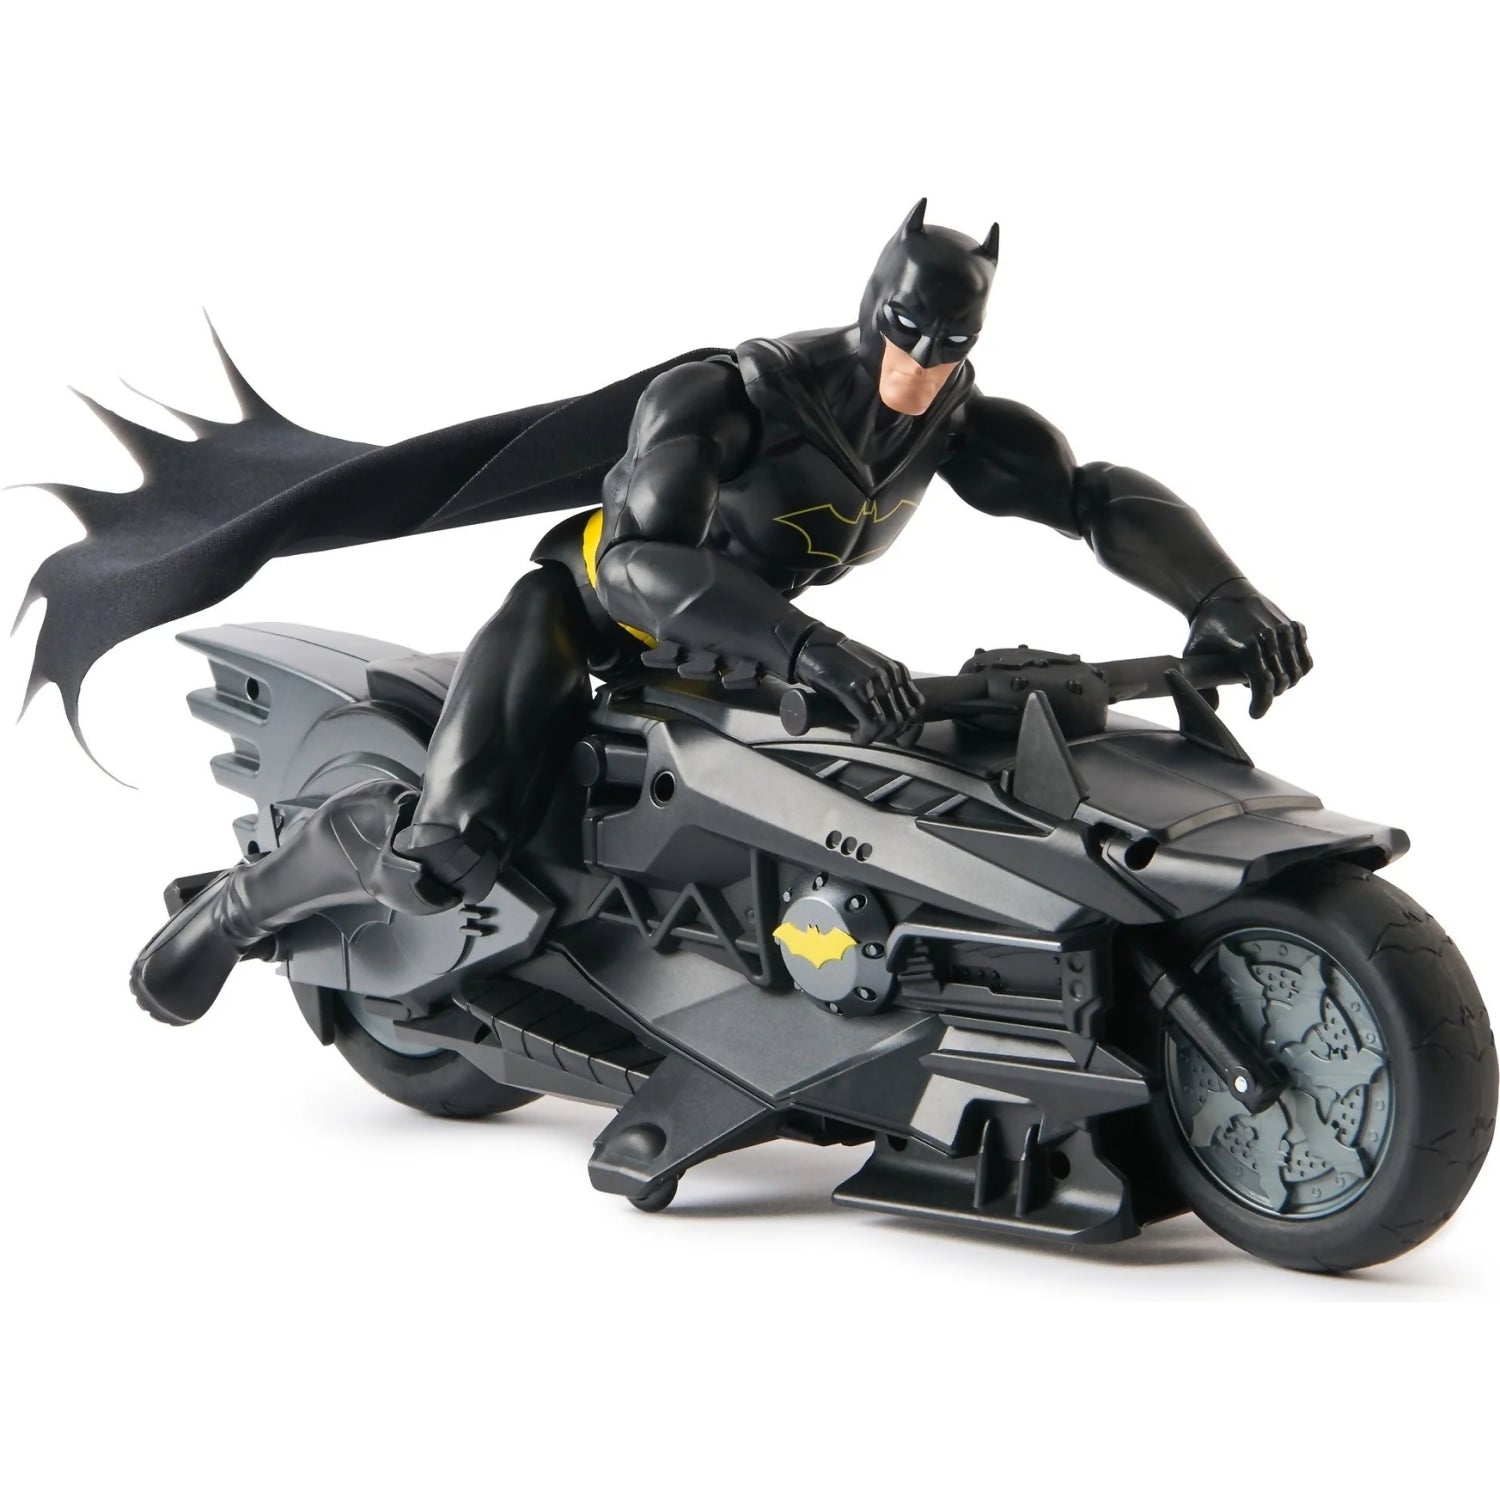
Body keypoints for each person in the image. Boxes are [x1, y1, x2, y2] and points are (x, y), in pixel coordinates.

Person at [120, 200, 1311, 1024]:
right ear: (873, 306)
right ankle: (231, 913)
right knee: (444, 859)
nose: (920, 363)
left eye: (948, 345)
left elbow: (1091, 499)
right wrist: (815, 648)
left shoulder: (955, 421)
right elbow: (641, 562)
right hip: (586, 618)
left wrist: (1223, 596)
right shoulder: (739, 396)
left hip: (740, 648)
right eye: (905, 333)